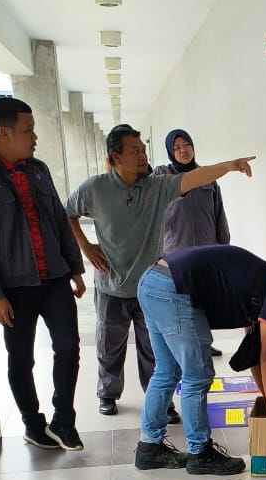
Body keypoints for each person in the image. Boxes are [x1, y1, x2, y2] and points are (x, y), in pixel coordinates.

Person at [66, 124, 253, 419]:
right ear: (115, 157)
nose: (143, 155)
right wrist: (86, 247)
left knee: (155, 350)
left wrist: (229, 166)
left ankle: (161, 400)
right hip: (112, 285)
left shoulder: (157, 186)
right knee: (109, 345)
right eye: (135, 151)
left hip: (150, 287)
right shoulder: (95, 188)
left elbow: (194, 177)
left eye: (143, 149)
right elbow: (66, 213)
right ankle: (108, 393)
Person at [0, 96, 86, 451]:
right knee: (21, 358)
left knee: (68, 346)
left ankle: (64, 420)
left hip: (54, 277)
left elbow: (59, 221)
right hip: (14, 287)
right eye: (28, 130)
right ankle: (33, 423)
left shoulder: (39, 169)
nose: (34, 137)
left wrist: (75, 267)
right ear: (5, 133)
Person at [135, 246, 266, 473]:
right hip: (175, 288)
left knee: (167, 371)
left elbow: (255, 354)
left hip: (152, 281)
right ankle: (200, 454)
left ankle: (148, 448)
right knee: (197, 376)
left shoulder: (265, 283)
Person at [153, 129, 230, 356]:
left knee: (203, 300)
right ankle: (181, 347)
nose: (183, 150)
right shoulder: (162, 176)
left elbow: (219, 214)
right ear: (170, 152)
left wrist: (223, 247)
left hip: (206, 251)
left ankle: (204, 343)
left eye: (186, 145)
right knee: (179, 301)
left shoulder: (207, 176)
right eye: (176, 148)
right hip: (175, 252)